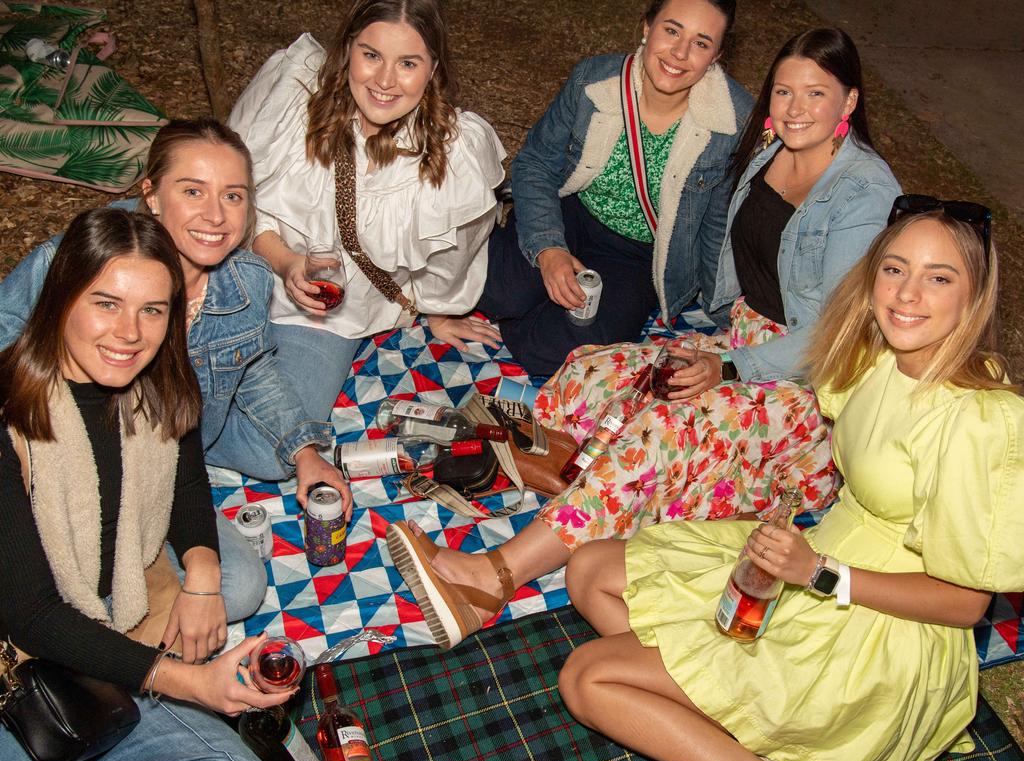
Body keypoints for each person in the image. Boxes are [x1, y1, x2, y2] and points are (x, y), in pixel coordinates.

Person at [385, 27, 899, 651]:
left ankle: (492, 578)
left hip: (807, 390)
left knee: (658, 432)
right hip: (741, 338)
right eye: (783, 91)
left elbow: (831, 338)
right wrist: (695, 332)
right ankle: (565, 474)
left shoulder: (865, 193)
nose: (793, 108)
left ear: (848, 103)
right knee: (593, 368)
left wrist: (728, 368)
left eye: (815, 94)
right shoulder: (768, 148)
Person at [558, 200, 1024, 761]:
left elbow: (967, 604)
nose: (907, 294)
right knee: (589, 570)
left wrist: (820, 574)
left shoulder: (978, 420)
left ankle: (737, 720)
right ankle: (730, 710)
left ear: (973, 296)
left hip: (880, 630)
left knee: (589, 678)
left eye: (939, 278)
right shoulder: (878, 359)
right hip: (815, 557)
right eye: (895, 268)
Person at [0, 119, 357, 618]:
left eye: (233, 196)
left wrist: (304, 450)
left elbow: (251, 369)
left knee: (242, 570)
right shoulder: (84, 259)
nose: (215, 215)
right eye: (193, 190)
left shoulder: (245, 281)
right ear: (151, 193)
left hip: (180, 449)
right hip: (78, 463)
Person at [0, 208, 294, 761]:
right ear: (61, 296)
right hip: (22, 645)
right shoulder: (9, 411)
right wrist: (187, 682)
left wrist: (203, 576)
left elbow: (185, 481)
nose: (130, 333)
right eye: (106, 303)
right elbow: (31, 614)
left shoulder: (155, 382)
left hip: (121, 597)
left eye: (152, 310)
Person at [227, 0, 507, 425]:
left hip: (330, 316)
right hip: (240, 262)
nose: (385, 81)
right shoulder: (293, 93)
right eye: (371, 55)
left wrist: (439, 310)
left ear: (432, 69)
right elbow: (233, 195)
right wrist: (285, 263)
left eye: (408, 63)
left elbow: (455, 253)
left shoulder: (455, 152)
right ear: (348, 49)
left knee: (274, 444)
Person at [475, 0, 754, 378]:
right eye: (671, 30)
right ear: (646, 27)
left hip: (640, 256)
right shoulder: (594, 80)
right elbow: (536, 163)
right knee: (494, 291)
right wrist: (548, 248)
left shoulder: (735, 119)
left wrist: (726, 318)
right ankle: (521, 295)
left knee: (555, 354)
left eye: (701, 43)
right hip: (573, 212)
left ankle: (530, 316)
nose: (680, 53)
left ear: (717, 55)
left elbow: (719, 223)